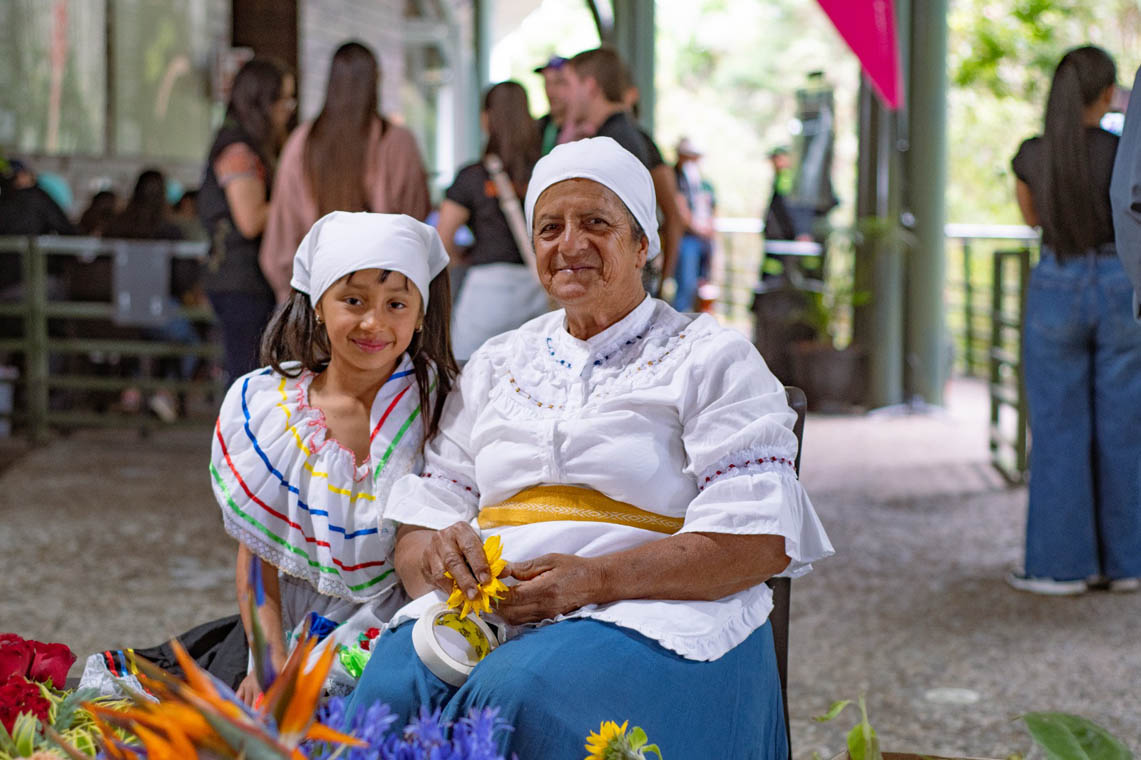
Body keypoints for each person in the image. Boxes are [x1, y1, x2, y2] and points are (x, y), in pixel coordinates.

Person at [347, 137, 833, 758]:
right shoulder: (498, 362)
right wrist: (440, 557)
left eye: (596, 223)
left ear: (642, 245)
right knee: (388, 686)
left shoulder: (711, 357)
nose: (569, 244)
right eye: (549, 228)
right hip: (493, 612)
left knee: (517, 694)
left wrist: (595, 579)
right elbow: (428, 514)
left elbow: (757, 541)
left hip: (650, 612)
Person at [213, 211, 457, 703]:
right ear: (318, 305)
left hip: (407, 633)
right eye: (353, 301)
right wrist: (267, 664)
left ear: (421, 313)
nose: (375, 322)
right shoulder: (270, 411)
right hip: (286, 629)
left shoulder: (444, 403)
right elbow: (257, 558)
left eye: (396, 304)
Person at [1008, 46, 1141, 595]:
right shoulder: (1122, 151)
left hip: (1056, 285)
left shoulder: (1033, 156)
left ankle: (1060, 567)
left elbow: (1031, 217)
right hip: (1120, 283)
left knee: (1058, 431)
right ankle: (1128, 564)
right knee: (1126, 428)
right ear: (1108, 94)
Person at [260, 41, 432, 305]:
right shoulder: (396, 141)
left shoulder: (303, 142)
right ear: (375, 81)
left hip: (315, 293)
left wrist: (292, 295)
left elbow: (283, 232)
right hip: (383, 296)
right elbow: (415, 218)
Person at [197, 57, 295, 384]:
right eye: (283, 100)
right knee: (249, 380)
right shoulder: (238, 148)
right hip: (240, 281)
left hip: (246, 280)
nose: (288, 109)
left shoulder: (250, 144)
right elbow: (250, 219)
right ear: (262, 103)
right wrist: (298, 199)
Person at [436, 81, 548, 360]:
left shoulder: (472, 176)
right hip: (540, 288)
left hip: (487, 291)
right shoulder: (547, 173)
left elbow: (441, 240)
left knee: (470, 377)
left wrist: (460, 257)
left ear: (486, 119)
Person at [672, 137, 717, 312]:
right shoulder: (676, 178)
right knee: (686, 285)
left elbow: (711, 208)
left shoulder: (703, 183)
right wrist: (698, 229)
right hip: (687, 238)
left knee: (702, 285)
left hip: (704, 240)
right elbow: (680, 209)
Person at [534, 56, 569, 156]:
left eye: (558, 82)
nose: (550, 91)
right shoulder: (538, 127)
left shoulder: (586, 129)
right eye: (547, 82)